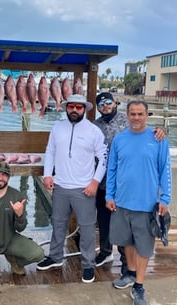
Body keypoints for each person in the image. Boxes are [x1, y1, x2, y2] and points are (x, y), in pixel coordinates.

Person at [106, 100, 171, 305]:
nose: (136, 118)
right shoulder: (119, 139)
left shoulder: (158, 138)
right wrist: (109, 195)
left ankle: (139, 286)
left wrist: (165, 198)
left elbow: (165, 170)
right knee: (126, 241)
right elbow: (112, 169)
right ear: (127, 115)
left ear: (147, 115)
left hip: (147, 205)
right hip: (122, 203)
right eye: (132, 114)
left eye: (140, 114)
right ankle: (130, 273)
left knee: (144, 247)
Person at [37, 94, 107, 283]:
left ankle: (88, 265)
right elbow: (50, 151)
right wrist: (47, 174)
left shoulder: (94, 131)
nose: (74, 110)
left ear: (84, 109)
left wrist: (95, 182)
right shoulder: (57, 127)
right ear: (66, 108)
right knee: (58, 224)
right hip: (60, 185)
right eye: (71, 107)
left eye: (78, 107)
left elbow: (104, 158)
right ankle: (55, 257)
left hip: (84, 189)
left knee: (87, 229)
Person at [93, 92, 165, 274]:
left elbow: (146, 131)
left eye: (108, 102)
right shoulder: (95, 126)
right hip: (104, 182)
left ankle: (127, 265)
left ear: (115, 103)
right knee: (104, 222)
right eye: (101, 104)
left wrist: (161, 130)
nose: (105, 106)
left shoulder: (128, 122)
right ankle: (105, 251)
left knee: (129, 231)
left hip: (127, 188)